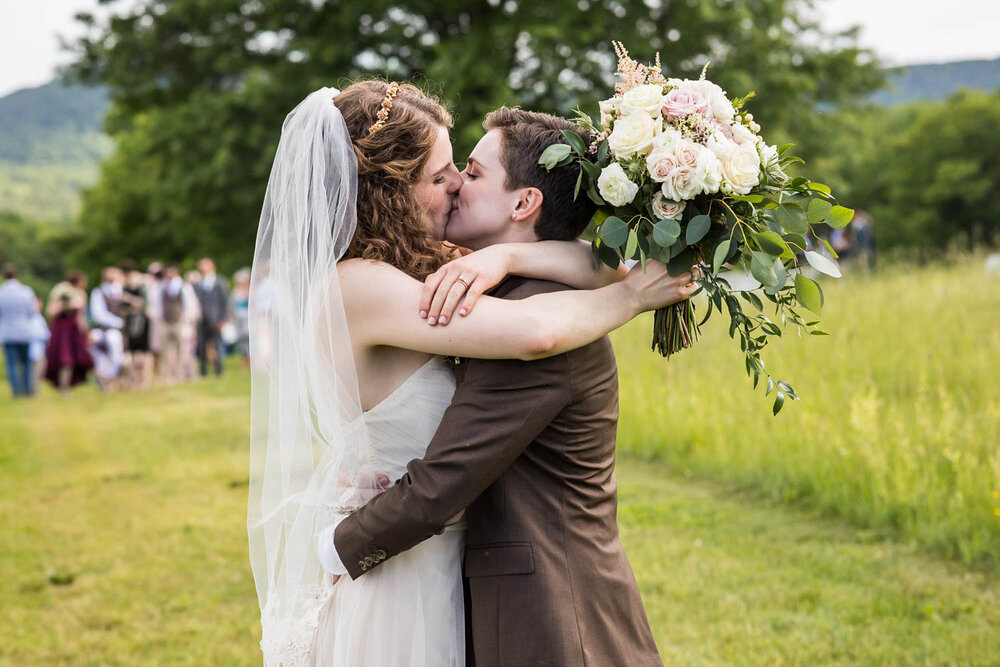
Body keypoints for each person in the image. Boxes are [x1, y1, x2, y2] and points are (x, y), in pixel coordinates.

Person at [248, 83, 695, 666]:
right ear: (391, 189)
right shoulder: (366, 285)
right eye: (440, 176)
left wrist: (510, 255)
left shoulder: (420, 272)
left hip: (442, 571)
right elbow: (537, 332)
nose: (456, 182)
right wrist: (633, 297)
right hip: (402, 579)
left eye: (466, 171)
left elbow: (600, 265)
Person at [45, 272, 94, 394]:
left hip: (74, 331)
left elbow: (81, 317)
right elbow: (50, 312)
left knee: (82, 357)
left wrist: (86, 332)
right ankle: (64, 388)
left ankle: (95, 384)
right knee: (64, 358)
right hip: (61, 330)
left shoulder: (81, 294)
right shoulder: (60, 293)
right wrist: (65, 305)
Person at [0, 265, 40, 397]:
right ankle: (28, 390)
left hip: (7, 333)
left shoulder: (1, 292)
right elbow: (32, 311)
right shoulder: (26, 291)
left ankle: (16, 392)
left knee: (11, 364)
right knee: (27, 363)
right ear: (17, 276)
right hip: (24, 332)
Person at [89, 266, 127, 390]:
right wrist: (117, 322)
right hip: (103, 328)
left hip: (118, 331)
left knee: (117, 354)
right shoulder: (98, 292)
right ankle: (103, 378)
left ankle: (109, 377)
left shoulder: (121, 290)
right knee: (98, 354)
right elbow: (98, 314)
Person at [121, 259, 153, 389]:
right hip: (130, 321)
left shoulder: (143, 286)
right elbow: (122, 309)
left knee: (144, 352)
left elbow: (145, 304)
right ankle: (133, 380)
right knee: (132, 352)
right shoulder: (124, 287)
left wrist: (132, 301)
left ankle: (145, 380)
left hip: (142, 321)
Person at [194, 257, 229, 377]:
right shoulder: (198, 284)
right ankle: (203, 371)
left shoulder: (220, 282)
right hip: (201, 320)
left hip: (216, 319)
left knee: (217, 345)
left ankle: (219, 370)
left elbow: (224, 302)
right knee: (201, 345)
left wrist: (223, 319)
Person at [229, 268, 251, 370]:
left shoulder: (249, 291)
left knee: (248, 340)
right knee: (241, 341)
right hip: (238, 319)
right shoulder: (235, 292)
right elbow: (231, 306)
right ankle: (244, 360)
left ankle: (250, 361)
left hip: (247, 319)